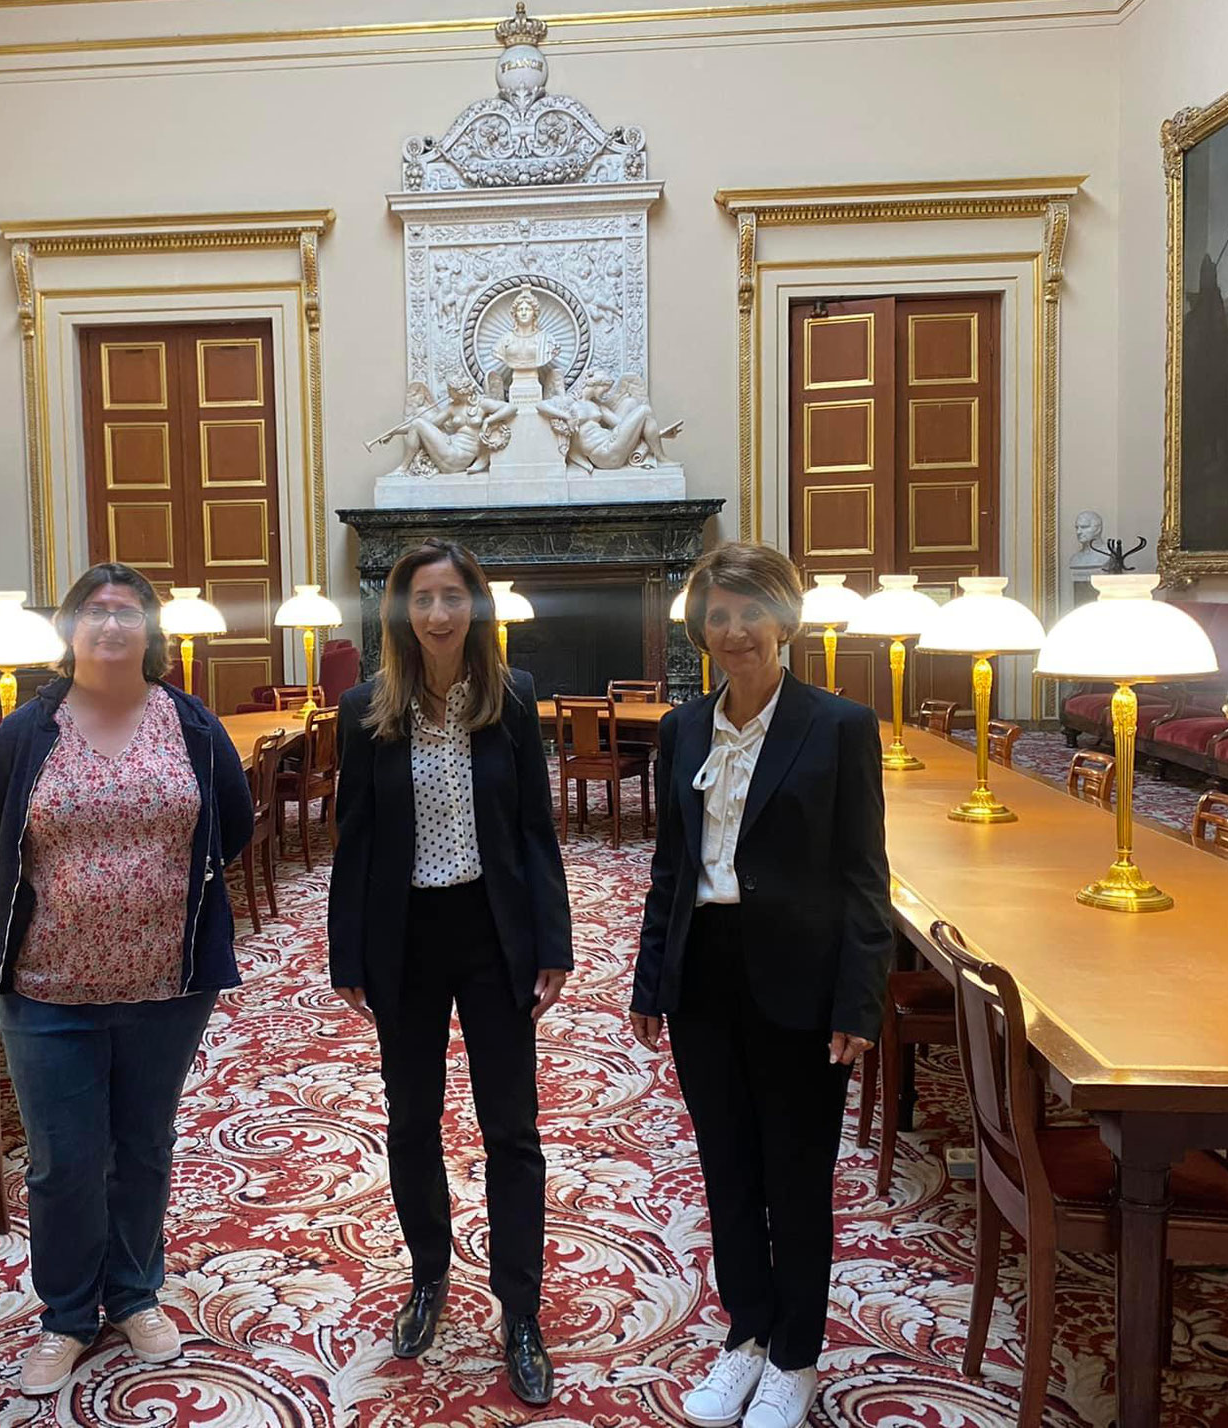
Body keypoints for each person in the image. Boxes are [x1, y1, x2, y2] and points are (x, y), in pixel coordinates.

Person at [0, 562, 252, 1397]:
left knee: (143, 1147)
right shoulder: (26, 730)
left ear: (150, 632)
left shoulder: (191, 726)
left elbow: (231, 825)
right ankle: (64, 1315)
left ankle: (133, 1292)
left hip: (167, 984)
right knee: (62, 1160)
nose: (111, 626)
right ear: (70, 629)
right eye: (94, 612)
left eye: (126, 613)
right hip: (46, 984)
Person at [628, 541, 892, 1428]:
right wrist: (649, 980)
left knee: (797, 1173)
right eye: (718, 613)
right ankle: (745, 1334)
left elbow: (863, 876)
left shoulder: (839, 726)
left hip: (801, 981)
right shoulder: (684, 727)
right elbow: (673, 867)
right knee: (727, 1165)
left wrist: (861, 1000)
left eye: (751, 612)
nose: (734, 630)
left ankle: (796, 1356)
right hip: (705, 972)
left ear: (785, 620)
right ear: (701, 627)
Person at [328, 538, 571, 1407]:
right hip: (405, 939)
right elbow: (352, 841)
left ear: (475, 608)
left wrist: (554, 944)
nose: (437, 613)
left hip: (493, 933)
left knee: (512, 1127)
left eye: (452, 597)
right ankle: (428, 1271)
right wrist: (345, 952)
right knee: (412, 1116)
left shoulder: (511, 699)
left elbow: (537, 832)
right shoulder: (367, 708)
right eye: (422, 599)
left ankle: (521, 1307)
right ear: (403, 613)